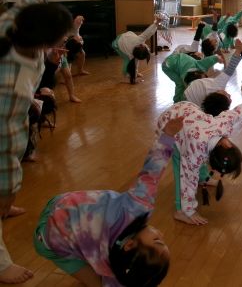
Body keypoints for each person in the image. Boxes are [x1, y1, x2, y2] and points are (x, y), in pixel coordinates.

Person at [0, 0, 71, 284]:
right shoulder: (10, 85)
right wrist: (7, 189)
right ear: (46, 43)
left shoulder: (21, 17)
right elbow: (6, 144)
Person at [34, 116, 184, 286]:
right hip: (49, 235)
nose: (161, 234)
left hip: (60, 209)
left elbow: (152, 173)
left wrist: (168, 135)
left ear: (129, 245)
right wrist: (167, 136)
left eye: (157, 240)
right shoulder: (109, 262)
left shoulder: (136, 207)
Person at [155, 87, 242, 226]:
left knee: (195, 163)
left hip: (186, 111)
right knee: (182, 170)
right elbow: (188, 182)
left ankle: (202, 178)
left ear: (227, 144)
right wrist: (189, 211)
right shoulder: (194, 154)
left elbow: (241, 110)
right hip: (167, 126)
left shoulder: (222, 124)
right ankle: (180, 211)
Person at [184, 39, 242, 110]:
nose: (229, 94)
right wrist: (238, 50)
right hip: (190, 98)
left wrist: (238, 50)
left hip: (189, 96)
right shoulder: (210, 104)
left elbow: (230, 68)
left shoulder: (217, 85)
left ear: (219, 94)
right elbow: (230, 69)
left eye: (228, 96)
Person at [112, 14, 164, 84]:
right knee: (127, 60)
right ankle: (126, 74)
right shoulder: (132, 54)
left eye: (147, 48)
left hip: (121, 40)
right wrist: (156, 23)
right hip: (117, 45)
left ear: (141, 46)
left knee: (131, 61)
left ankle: (131, 74)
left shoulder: (138, 43)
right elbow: (149, 33)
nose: (148, 47)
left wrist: (156, 23)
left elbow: (148, 32)